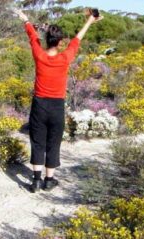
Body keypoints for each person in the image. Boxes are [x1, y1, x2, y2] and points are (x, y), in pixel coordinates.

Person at [13, 9, 101, 193]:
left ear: (47, 41)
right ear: (60, 42)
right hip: (56, 106)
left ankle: (36, 181)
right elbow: (78, 39)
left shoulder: (39, 55)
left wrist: (26, 19)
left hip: (39, 104)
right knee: (53, 142)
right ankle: (49, 180)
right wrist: (89, 21)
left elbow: (32, 36)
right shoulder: (65, 57)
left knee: (37, 141)